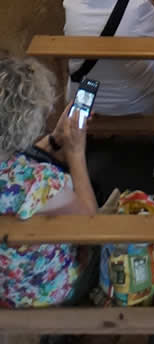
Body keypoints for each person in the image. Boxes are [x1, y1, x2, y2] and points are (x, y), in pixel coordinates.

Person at [0, 54, 98, 308]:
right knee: (102, 245)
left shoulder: (20, 174)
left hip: (4, 281)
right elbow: (89, 225)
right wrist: (76, 152)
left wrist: (54, 140)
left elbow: (14, 157)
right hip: (38, 293)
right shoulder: (39, 183)